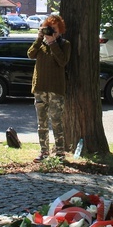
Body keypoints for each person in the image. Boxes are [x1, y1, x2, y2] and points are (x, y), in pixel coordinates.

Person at [27, 15, 71, 162]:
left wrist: (53, 43)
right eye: (49, 28)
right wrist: (40, 38)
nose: (52, 32)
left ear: (61, 31)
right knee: (42, 123)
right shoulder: (41, 44)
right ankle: (44, 152)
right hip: (40, 88)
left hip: (56, 90)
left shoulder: (64, 44)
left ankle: (60, 153)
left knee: (57, 122)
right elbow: (30, 54)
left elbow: (63, 61)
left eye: (55, 29)